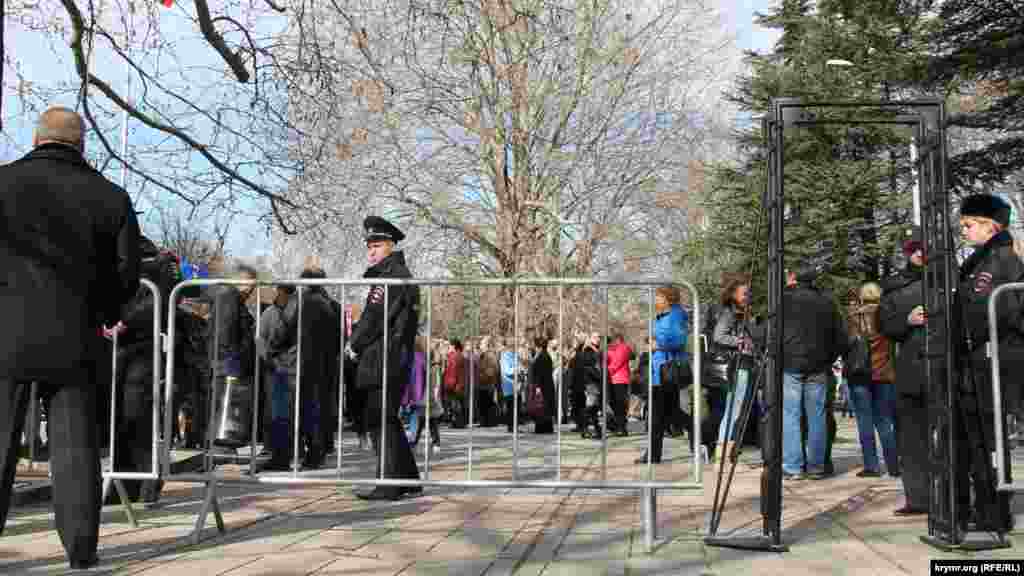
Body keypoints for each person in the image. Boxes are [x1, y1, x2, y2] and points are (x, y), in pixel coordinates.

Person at [0, 107, 141, 569]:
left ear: (37, 139)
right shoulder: (111, 196)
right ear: (81, 145)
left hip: (6, 334)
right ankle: (81, 550)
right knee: (76, 449)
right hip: (76, 337)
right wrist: (103, 312)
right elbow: (125, 277)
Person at [953, 194, 1024, 534]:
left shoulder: (999, 260)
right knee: (979, 440)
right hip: (979, 359)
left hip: (990, 359)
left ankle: (994, 513)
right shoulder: (986, 259)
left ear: (988, 224)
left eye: (968, 225)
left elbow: (992, 310)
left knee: (988, 441)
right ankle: (986, 508)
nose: (965, 231)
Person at [347, 216, 422, 501]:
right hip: (390, 356)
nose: (371, 251)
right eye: (369, 246)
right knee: (386, 418)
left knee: (379, 419)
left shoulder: (391, 276)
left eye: (377, 245)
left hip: (384, 357)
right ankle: (408, 479)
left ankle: (389, 483)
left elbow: (374, 318)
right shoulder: (395, 273)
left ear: (391, 245)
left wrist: (353, 344)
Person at [880, 226, 930, 515]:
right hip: (911, 366)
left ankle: (949, 496)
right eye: (914, 249)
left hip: (942, 365)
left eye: (922, 248)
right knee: (911, 436)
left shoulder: (947, 279)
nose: (919, 254)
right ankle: (918, 497)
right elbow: (885, 326)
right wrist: (907, 321)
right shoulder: (894, 287)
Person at [781, 268, 847, 481]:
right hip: (819, 365)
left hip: (791, 364)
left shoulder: (784, 300)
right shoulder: (826, 302)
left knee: (791, 414)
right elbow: (840, 337)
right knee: (817, 415)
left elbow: (771, 332)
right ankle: (816, 466)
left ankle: (793, 466)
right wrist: (828, 358)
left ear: (793, 277)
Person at [846, 282, 899, 478]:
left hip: (860, 374)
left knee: (864, 421)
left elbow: (847, 342)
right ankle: (894, 465)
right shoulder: (886, 316)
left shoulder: (854, 316)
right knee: (884, 421)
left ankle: (872, 465)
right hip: (883, 373)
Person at [636, 286, 689, 464]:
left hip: (666, 371)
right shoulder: (663, 316)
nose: (656, 301)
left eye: (658, 297)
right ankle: (654, 453)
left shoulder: (675, 315)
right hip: (659, 371)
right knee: (669, 414)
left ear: (668, 298)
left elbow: (680, 340)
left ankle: (653, 454)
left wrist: (657, 345)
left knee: (659, 415)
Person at [714, 275, 757, 463]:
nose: (748, 296)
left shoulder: (741, 311)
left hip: (743, 364)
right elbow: (718, 336)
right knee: (734, 410)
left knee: (736, 410)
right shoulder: (730, 313)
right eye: (744, 293)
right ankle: (723, 456)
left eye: (748, 293)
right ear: (733, 294)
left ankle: (725, 454)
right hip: (737, 365)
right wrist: (740, 341)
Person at [528, 335, 556, 434]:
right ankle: (547, 427)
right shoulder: (546, 355)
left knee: (541, 406)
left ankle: (541, 427)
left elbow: (540, 373)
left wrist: (538, 387)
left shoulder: (541, 357)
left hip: (542, 385)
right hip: (547, 384)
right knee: (545, 406)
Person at [607, 331, 633, 436]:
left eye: (614, 341)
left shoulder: (623, 348)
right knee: (615, 404)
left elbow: (616, 363)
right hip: (615, 380)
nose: (612, 343)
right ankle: (618, 425)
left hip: (620, 380)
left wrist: (607, 371)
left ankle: (621, 427)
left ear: (618, 340)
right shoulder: (615, 349)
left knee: (620, 405)